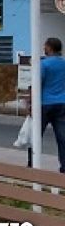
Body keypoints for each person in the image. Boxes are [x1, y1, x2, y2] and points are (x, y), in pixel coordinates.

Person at [42, 37, 65, 172]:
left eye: (45, 46)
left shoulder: (44, 64)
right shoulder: (63, 64)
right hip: (62, 103)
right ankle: (64, 167)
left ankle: (32, 162)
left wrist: (30, 103)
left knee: (36, 136)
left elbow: (37, 83)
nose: (43, 48)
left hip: (44, 104)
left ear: (50, 48)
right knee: (62, 138)